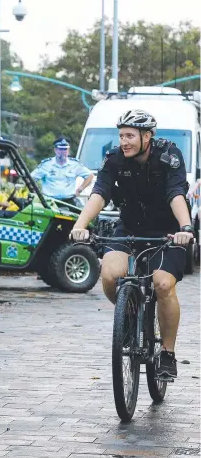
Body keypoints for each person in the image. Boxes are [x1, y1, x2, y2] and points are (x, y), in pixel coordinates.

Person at [70, 109, 194, 380]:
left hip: (167, 232)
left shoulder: (169, 156)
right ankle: (129, 313)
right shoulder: (114, 158)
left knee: (163, 284)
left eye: (129, 136)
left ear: (147, 136)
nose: (123, 141)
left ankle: (167, 354)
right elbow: (99, 192)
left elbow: (176, 194)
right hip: (129, 228)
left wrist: (185, 228)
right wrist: (80, 225)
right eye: (121, 136)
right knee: (110, 275)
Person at [31, 137, 94, 206]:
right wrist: (36, 192)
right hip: (50, 202)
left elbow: (90, 176)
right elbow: (31, 178)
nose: (63, 152)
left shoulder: (74, 165)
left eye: (65, 149)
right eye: (60, 149)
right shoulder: (46, 165)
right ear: (55, 150)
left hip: (69, 202)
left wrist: (80, 189)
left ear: (68, 150)